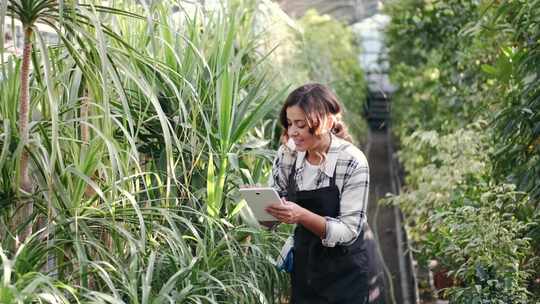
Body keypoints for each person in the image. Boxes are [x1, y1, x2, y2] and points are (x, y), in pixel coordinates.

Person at [265, 83, 372, 303]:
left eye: (301, 125)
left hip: (345, 275)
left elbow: (349, 230)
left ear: (328, 122)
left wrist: (302, 215)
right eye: (290, 123)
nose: (293, 132)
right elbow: (270, 216)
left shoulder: (352, 161)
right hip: (304, 271)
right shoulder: (289, 153)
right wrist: (262, 202)